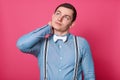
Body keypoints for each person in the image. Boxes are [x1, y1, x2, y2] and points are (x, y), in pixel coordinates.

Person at [16, 3, 95, 80]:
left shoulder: (81, 43)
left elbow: (89, 75)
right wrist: (48, 28)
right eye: (58, 14)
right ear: (53, 16)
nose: (59, 19)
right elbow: (21, 45)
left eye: (66, 17)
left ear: (72, 24)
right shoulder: (42, 44)